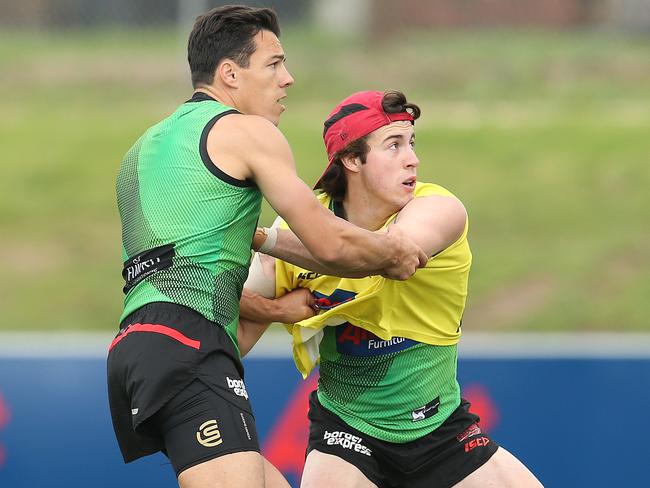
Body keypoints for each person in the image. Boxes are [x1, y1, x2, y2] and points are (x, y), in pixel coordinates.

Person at [107, 6, 428, 488]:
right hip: (192, 346)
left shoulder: (143, 148)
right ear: (230, 74)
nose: (288, 79)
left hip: (135, 348)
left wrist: (276, 311)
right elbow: (329, 241)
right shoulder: (248, 132)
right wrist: (394, 254)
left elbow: (176, 281)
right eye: (274, 64)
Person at [241, 90, 544, 487]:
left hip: (442, 433)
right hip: (345, 433)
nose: (413, 158)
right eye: (394, 145)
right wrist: (275, 310)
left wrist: (264, 239)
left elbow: (388, 257)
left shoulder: (439, 208)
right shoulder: (299, 226)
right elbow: (229, 326)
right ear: (351, 159)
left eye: (412, 142)